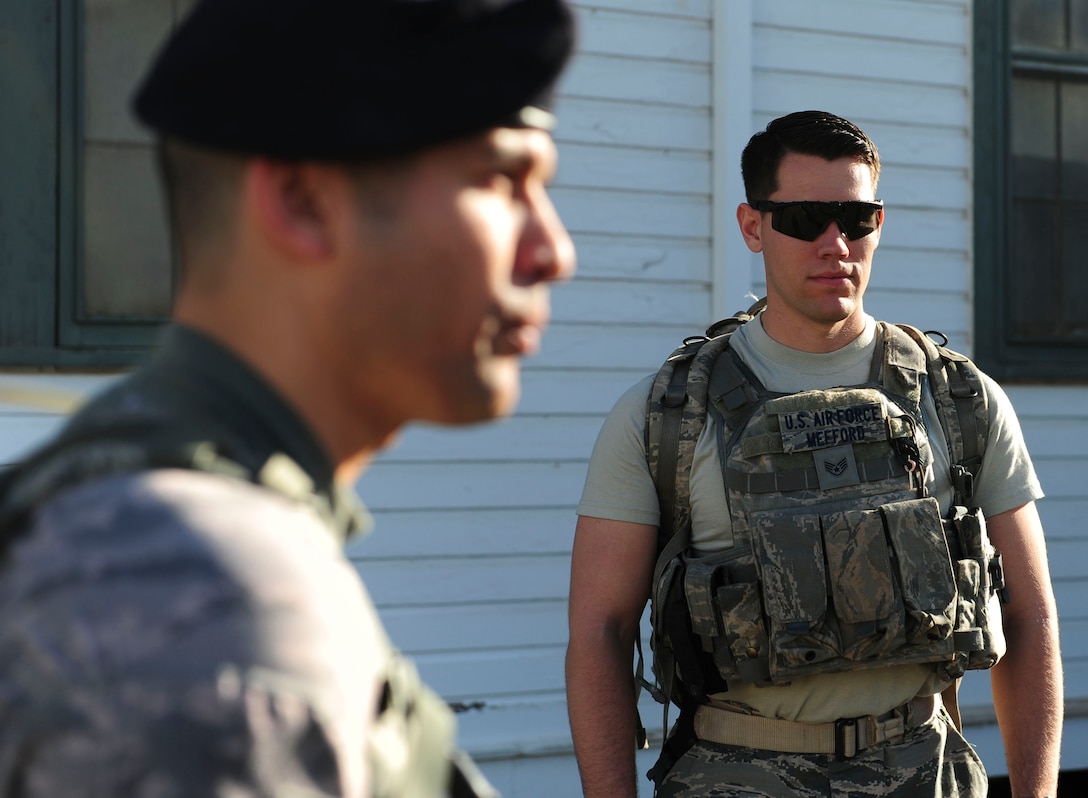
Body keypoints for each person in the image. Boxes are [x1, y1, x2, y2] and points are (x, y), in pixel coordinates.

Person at [0, 0, 575, 795]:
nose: (554, 252)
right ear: (304, 203)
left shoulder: (193, 528)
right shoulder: (195, 588)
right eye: (500, 181)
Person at [566, 110, 1062, 798]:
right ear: (752, 225)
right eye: (804, 219)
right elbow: (600, 630)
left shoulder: (960, 400)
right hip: (735, 775)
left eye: (856, 219)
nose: (835, 244)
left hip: (923, 769)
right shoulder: (666, 417)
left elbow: (1030, 616)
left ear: (879, 225)